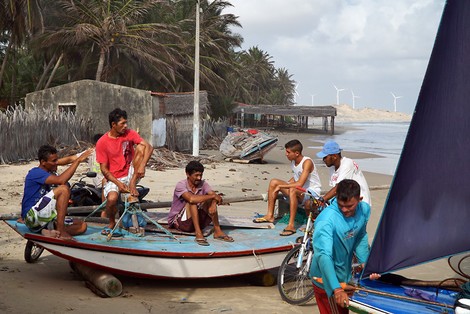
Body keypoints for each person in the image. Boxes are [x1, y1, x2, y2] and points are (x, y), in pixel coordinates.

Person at [309, 179, 378, 313]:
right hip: (326, 279)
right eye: (341, 205)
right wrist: (337, 289)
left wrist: (366, 263)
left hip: (344, 276)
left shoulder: (363, 210)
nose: (345, 210)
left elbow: (360, 236)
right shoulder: (326, 220)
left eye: (349, 206)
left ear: (359, 199)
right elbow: (324, 256)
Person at [95, 108, 153, 233]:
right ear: (113, 124)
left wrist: (142, 165)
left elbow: (149, 147)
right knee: (111, 199)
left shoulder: (129, 133)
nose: (125, 126)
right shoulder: (102, 142)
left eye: (126, 123)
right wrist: (118, 184)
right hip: (114, 177)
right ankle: (111, 222)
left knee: (142, 146)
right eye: (122, 123)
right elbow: (104, 169)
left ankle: (132, 183)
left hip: (131, 173)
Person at [253, 139, 322, 236]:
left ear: (297, 153)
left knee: (292, 189)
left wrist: (282, 186)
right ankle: (270, 215)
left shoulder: (307, 162)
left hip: (311, 193)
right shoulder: (294, 162)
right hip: (300, 192)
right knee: (273, 182)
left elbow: (300, 183)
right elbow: (295, 178)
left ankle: (291, 225)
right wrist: (279, 186)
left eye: (288, 152)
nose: (286, 154)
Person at [21, 145, 92, 239]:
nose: (57, 163)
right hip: (32, 217)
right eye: (53, 161)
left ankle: (48, 231)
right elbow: (61, 181)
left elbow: (63, 181)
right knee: (63, 189)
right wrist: (78, 161)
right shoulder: (35, 172)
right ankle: (60, 231)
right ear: (43, 162)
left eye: (57, 160)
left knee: (82, 226)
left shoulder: (51, 174)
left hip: (44, 217)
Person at [168, 160, 234, 246]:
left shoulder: (203, 184)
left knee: (209, 200)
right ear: (188, 174)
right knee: (193, 201)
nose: (199, 178)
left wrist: (213, 202)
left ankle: (218, 231)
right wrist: (213, 197)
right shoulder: (181, 185)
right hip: (179, 222)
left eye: (200, 175)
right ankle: (198, 233)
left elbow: (215, 196)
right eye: (196, 175)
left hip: (195, 220)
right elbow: (191, 199)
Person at [317, 140, 371, 206]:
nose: (323, 160)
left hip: (361, 202)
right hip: (347, 199)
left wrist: (323, 199)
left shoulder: (347, 164)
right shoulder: (332, 167)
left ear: (334, 156)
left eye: (325, 157)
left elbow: (338, 187)